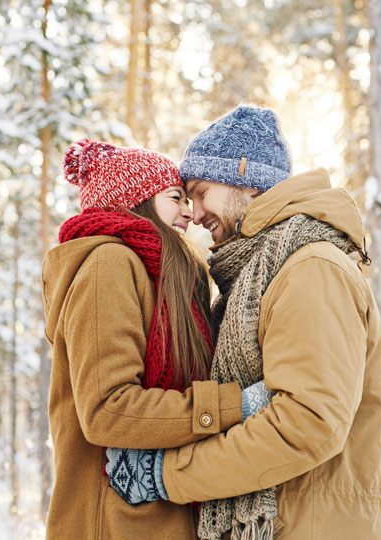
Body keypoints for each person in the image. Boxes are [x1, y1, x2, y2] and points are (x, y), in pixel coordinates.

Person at [107, 105, 381, 540]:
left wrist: (169, 474)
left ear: (246, 179)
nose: (195, 213)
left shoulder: (310, 266)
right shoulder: (260, 273)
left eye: (201, 191)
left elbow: (307, 422)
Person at [41, 138, 271, 540]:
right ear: (137, 200)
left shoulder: (171, 277)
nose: (189, 211)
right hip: (113, 523)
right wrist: (233, 405)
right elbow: (107, 408)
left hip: (160, 516)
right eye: (175, 197)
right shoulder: (107, 265)